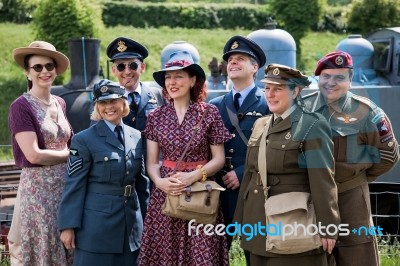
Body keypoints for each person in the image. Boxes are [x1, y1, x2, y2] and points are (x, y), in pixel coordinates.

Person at [234, 64, 340, 266]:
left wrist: (328, 227)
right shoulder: (261, 125)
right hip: (257, 225)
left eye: (278, 89)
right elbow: (250, 174)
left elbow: (323, 181)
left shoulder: (311, 125)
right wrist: (240, 221)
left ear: (295, 91)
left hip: (292, 224)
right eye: (267, 89)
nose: (270, 95)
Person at [303, 51, 400, 266]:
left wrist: (358, 176)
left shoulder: (367, 112)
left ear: (350, 79)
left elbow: (389, 155)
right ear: (318, 77)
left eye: (339, 77)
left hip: (351, 200)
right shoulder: (302, 108)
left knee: (357, 256)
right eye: (326, 76)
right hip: (310, 202)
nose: (331, 82)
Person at [138, 50, 231, 265]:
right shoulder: (156, 116)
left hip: (200, 192)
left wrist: (193, 177)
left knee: (201, 254)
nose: (172, 82)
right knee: (164, 254)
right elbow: (151, 162)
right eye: (168, 78)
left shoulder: (209, 113)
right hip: (166, 194)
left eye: (178, 76)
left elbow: (218, 159)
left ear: (192, 80)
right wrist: (160, 182)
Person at [58, 79, 149, 266]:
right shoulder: (84, 140)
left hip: (131, 227)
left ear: (123, 102)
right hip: (97, 229)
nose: (109, 107)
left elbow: (142, 185)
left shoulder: (137, 136)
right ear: (97, 107)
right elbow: (74, 185)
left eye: (113, 101)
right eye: (103, 103)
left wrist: (148, 221)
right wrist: (68, 226)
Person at [8, 40, 73, 265]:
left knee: (67, 246)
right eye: (37, 67)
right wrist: (71, 155)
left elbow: (69, 141)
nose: (44, 71)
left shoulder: (60, 103)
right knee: (43, 250)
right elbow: (34, 155)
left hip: (65, 188)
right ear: (27, 72)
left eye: (49, 66)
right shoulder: (21, 107)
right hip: (39, 193)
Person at [208, 35, 270, 254]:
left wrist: (242, 173)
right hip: (219, 195)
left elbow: (274, 147)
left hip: (254, 193)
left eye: (240, 58)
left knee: (256, 254)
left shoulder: (268, 104)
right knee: (215, 256)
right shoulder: (214, 106)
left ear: (255, 67)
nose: (233, 62)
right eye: (230, 59)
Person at [106, 36, 164, 133]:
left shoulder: (158, 95)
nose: (127, 72)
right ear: (113, 70)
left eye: (133, 65)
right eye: (121, 66)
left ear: (142, 67)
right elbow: (97, 136)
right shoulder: (105, 100)